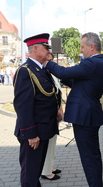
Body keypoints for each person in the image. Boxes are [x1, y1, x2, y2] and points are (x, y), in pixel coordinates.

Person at [45, 32, 103, 187]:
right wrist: (60, 75)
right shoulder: (96, 63)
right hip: (88, 115)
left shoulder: (92, 63)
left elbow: (63, 72)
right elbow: (74, 81)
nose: (81, 50)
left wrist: (48, 62)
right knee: (91, 156)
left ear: (91, 47)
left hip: (85, 116)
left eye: (82, 46)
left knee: (89, 157)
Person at [13, 33, 62, 187]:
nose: (49, 51)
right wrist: (31, 134)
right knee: (30, 175)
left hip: (45, 130)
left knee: (36, 171)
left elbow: (48, 96)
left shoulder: (42, 70)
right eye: (46, 47)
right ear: (35, 49)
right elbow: (23, 106)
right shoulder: (26, 71)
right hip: (34, 134)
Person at [41, 53, 63, 181]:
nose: (50, 56)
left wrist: (60, 108)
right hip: (48, 115)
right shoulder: (41, 72)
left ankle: (50, 166)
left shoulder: (50, 71)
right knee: (47, 143)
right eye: (48, 54)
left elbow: (57, 92)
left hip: (55, 112)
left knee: (52, 142)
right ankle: (45, 171)